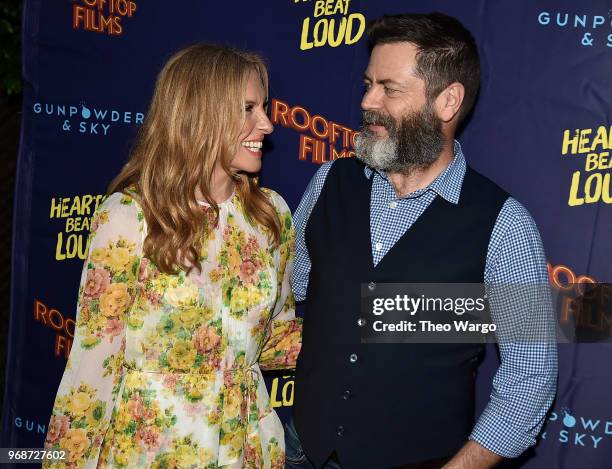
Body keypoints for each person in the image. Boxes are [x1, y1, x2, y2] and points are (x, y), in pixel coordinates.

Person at [286, 13, 557, 469]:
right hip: (301, 449)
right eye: (367, 83)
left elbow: (529, 379)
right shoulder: (330, 182)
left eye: (389, 89)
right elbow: (292, 295)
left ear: (448, 101)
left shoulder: (505, 226)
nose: (368, 101)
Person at [42, 44, 301, 468]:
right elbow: (93, 363)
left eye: (265, 108)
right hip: (151, 449)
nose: (268, 124)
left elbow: (273, 339)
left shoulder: (270, 215)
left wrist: (372, 324)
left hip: (246, 447)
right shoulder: (129, 217)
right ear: (201, 114)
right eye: (249, 109)